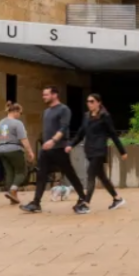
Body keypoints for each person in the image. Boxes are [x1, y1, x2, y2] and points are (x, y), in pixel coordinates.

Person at [21, 86, 91, 215]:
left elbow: (64, 128)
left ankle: (83, 198)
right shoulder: (46, 112)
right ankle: (36, 203)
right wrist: (45, 143)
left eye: (46, 95)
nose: (44, 97)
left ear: (55, 95)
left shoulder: (64, 110)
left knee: (70, 174)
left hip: (59, 148)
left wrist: (53, 140)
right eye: (43, 95)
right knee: (41, 175)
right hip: (46, 149)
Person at [65, 94, 128, 211]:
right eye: (88, 101)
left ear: (98, 102)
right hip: (89, 151)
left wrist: (122, 151)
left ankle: (86, 204)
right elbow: (80, 133)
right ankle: (117, 198)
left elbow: (113, 134)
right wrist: (71, 145)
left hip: (99, 151)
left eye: (92, 101)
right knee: (102, 177)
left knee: (91, 174)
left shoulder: (105, 116)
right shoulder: (86, 116)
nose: (89, 103)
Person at [0, 102, 35, 205]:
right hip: (14, 149)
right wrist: (30, 152)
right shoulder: (17, 123)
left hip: (1, 150)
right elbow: (23, 139)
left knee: (9, 173)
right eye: (20, 113)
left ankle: (13, 198)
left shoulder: (0, 123)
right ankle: (13, 190)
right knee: (22, 172)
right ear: (16, 111)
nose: (20, 115)